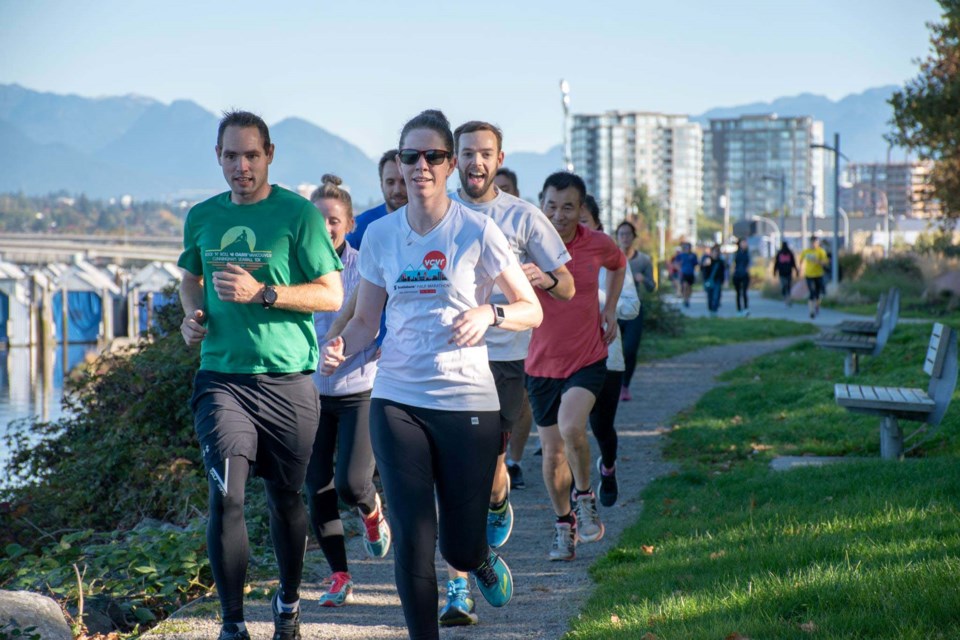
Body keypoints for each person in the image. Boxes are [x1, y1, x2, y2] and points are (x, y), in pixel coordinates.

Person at [319, 109, 542, 640]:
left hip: (468, 401)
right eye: (409, 156)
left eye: (433, 156)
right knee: (417, 543)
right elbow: (367, 319)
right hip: (397, 399)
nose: (420, 165)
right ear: (398, 162)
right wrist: (339, 348)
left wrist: (490, 314)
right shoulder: (382, 236)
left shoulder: (477, 231)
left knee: (458, 547)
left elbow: (529, 306)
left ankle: (479, 556)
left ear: (449, 166)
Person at [178, 111, 344, 640]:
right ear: (218, 156)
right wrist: (194, 317)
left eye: (251, 155)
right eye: (230, 156)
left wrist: (264, 293)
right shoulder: (202, 216)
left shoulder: (298, 216)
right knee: (226, 496)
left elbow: (331, 293)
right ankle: (232, 624)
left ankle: (289, 603)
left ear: (269, 155)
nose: (241, 166)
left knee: (285, 499)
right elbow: (191, 278)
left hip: (288, 381)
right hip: (222, 380)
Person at [440, 121, 574, 626]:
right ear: (454, 158)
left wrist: (541, 278)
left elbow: (566, 287)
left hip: (502, 359)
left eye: (485, 154)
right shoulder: (437, 213)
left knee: (489, 476)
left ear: (499, 159)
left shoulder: (522, 216)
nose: (476, 162)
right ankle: (457, 589)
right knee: (451, 479)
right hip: (445, 361)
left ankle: (498, 502)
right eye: (467, 153)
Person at [527, 171, 626, 562]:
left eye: (568, 207)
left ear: (580, 208)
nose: (559, 214)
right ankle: (563, 525)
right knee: (552, 455)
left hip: (587, 357)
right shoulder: (527, 244)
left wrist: (610, 308)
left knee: (572, 427)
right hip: (540, 364)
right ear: (542, 204)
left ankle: (585, 495)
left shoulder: (595, 244)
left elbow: (618, 265)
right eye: (552, 205)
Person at [304, 175, 391, 609]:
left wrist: (353, 348)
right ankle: (339, 575)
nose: (326, 228)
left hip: (360, 388)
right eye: (318, 220)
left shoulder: (366, 266)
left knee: (352, 483)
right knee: (315, 485)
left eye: (334, 220)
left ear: (349, 223)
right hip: (310, 392)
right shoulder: (296, 266)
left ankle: (372, 511)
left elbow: (380, 324)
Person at [582, 198, 640, 507]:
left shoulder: (612, 259)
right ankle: (576, 493)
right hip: (566, 360)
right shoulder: (548, 258)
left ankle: (608, 466)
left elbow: (632, 306)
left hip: (607, 356)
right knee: (567, 428)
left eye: (582, 221)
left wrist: (603, 303)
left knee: (602, 427)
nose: (572, 226)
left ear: (597, 227)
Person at [614, 221, 655, 402]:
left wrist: (643, 279)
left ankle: (625, 386)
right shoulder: (610, 257)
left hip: (634, 310)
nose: (624, 237)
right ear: (617, 237)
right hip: (612, 308)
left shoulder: (643, 260)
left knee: (630, 350)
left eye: (628, 234)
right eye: (621, 234)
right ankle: (610, 386)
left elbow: (652, 286)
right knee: (609, 351)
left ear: (633, 237)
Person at [345, 149, 408, 249]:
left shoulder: (429, 225)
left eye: (403, 182)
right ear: (381, 185)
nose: (397, 190)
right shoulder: (360, 227)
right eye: (390, 182)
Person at [799, 236, 828, 318]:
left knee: (819, 293)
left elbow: (825, 263)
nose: (813, 244)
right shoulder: (806, 251)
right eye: (812, 242)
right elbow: (801, 260)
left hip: (819, 274)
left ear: (818, 243)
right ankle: (811, 311)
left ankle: (817, 305)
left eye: (815, 242)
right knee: (812, 293)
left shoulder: (821, 251)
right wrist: (800, 270)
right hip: (809, 275)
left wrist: (818, 262)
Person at [700, 243, 726, 317]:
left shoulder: (720, 262)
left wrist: (723, 280)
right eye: (714, 252)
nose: (715, 254)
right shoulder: (707, 260)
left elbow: (722, 272)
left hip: (717, 281)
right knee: (710, 296)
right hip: (709, 281)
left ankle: (714, 309)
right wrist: (705, 265)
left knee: (716, 295)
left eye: (717, 252)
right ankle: (711, 309)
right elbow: (702, 270)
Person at [773, 241, 799, 306]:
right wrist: (774, 271)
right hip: (785, 272)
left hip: (785, 272)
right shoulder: (782, 253)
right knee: (786, 285)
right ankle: (786, 298)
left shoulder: (788, 253)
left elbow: (793, 262)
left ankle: (787, 298)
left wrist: (775, 271)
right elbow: (776, 263)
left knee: (786, 285)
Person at [674, 242, 699, 307]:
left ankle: (688, 298)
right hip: (683, 273)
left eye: (689, 247)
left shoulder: (693, 255)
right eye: (686, 247)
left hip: (691, 273)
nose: (687, 249)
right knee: (685, 286)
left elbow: (696, 264)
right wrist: (679, 269)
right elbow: (675, 264)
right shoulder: (680, 255)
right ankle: (685, 299)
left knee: (689, 287)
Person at [732, 237, 751, 317]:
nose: (744, 244)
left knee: (744, 292)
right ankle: (739, 309)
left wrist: (747, 269)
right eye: (743, 243)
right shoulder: (735, 254)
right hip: (737, 275)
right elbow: (732, 264)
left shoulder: (748, 254)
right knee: (738, 293)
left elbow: (750, 263)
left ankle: (746, 309)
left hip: (745, 275)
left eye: (745, 243)